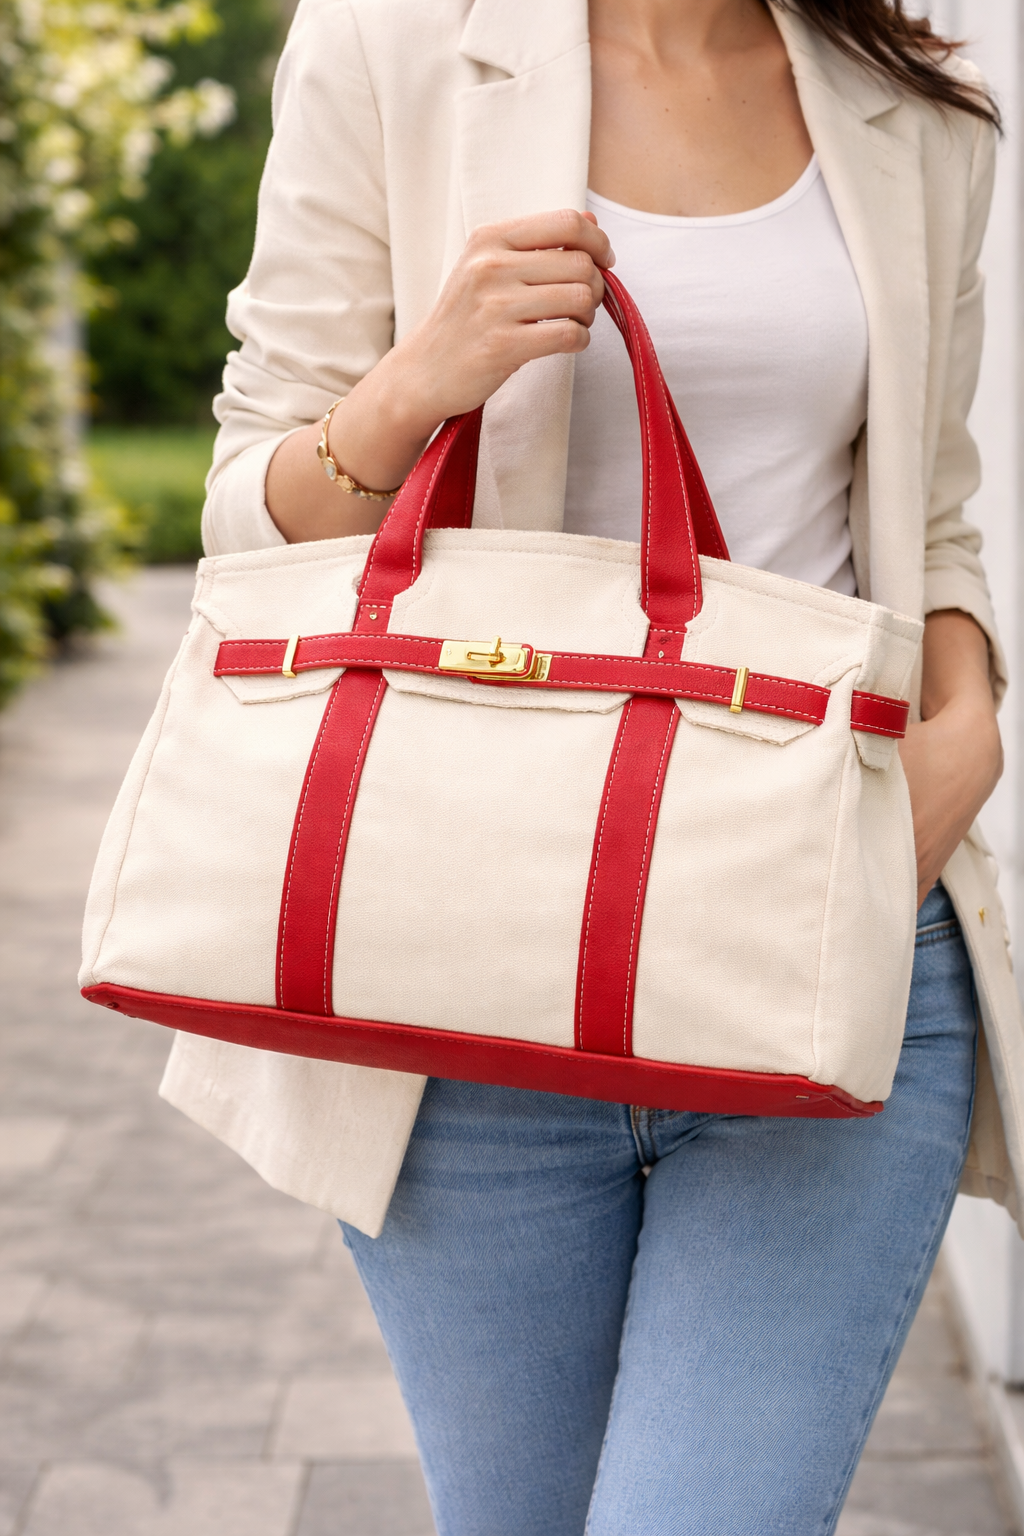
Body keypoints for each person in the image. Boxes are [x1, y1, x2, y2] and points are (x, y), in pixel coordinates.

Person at [159, 0, 1024, 1529]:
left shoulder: (921, 112)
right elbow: (248, 509)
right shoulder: (388, 46)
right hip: (468, 988)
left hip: (828, 949)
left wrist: (967, 735)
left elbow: (932, 508)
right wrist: (417, 381)